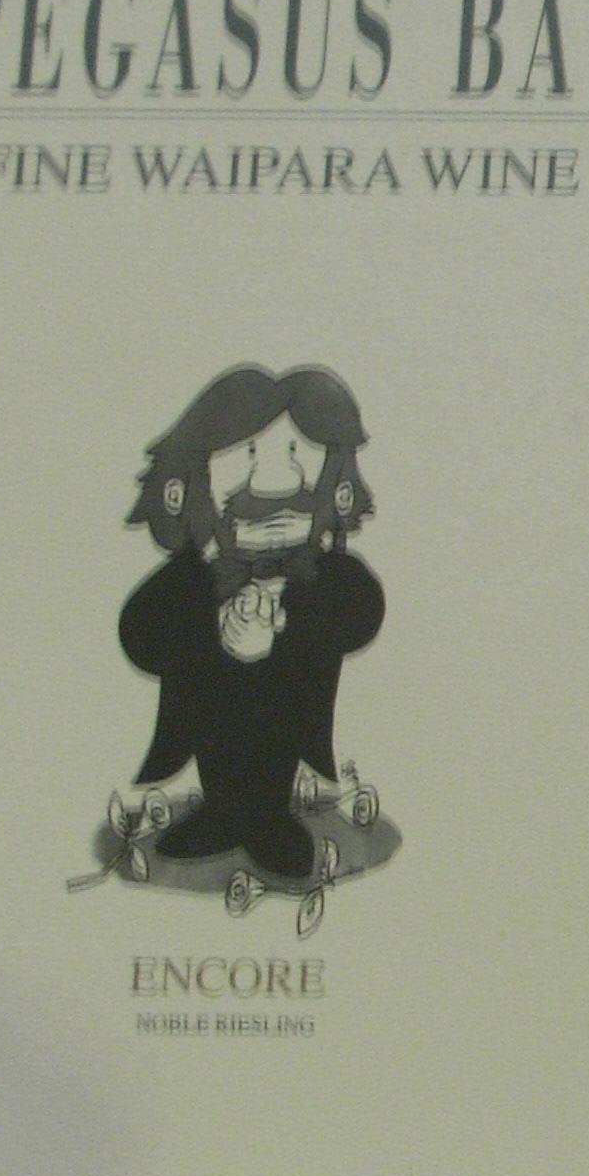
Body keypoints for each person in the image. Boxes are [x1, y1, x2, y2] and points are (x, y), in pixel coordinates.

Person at [115, 363, 382, 885]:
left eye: (297, 453)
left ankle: (268, 819)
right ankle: (222, 812)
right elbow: (141, 633)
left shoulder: (326, 575)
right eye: (251, 452)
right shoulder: (195, 577)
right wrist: (214, 624)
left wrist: (289, 622)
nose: (276, 477)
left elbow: (361, 613)